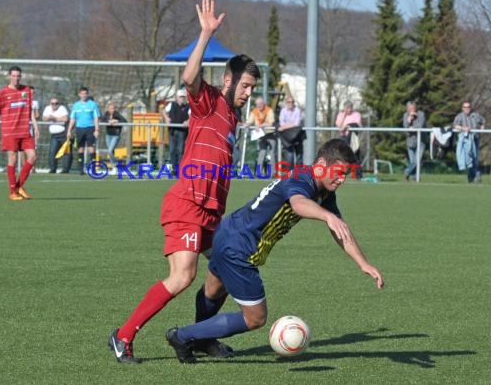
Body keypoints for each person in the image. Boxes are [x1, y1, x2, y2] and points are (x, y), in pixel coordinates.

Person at [108, 0, 261, 364]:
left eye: (253, 88)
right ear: (228, 80)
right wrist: (205, 34)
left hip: (210, 213)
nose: (249, 93)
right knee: (182, 277)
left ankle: (203, 338)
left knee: (223, 270)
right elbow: (189, 78)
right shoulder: (209, 101)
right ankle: (123, 336)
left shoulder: (234, 119)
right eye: (245, 86)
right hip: (188, 204)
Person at [165, 139, 385, 364]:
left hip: (227, 232)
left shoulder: (325, 192)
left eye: (346, 174)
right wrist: (327, 216)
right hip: (241, 246)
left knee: (213, 292)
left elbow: (340, 230)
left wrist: (363, 263)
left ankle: (201, 340)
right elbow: (298, 203)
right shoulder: (302, 178)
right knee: (255, 318)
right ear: (321, 164)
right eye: (339, 172)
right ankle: (182, 336)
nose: (342, 179)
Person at [0, 66, 38, 201]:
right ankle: (13, 192)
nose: (16, 78)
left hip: (24, 131)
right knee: (13, 159)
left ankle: (18, 186)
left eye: (18, 76)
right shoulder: (3, 93)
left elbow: (30, 110)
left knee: (33, 157)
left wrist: (35, 125)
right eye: (14, 76)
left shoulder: (27, 90)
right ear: (9, 76)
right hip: (9, 132)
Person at [66, 86, 100, 175]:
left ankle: (93, 169)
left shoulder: (93, 104)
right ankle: (81, 169)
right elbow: (72, 118)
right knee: (80, 148)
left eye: (85, 94)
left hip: (90, 128)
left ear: (87, 94)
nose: (84, 95)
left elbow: (96, 117)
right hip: (79, 129)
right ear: (79, 94)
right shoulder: (76, 105)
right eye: (82, 94)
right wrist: (69, 130)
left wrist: (96, 129)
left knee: (91, 149)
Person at [453, 101, 485, 183]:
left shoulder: (476, 115)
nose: (467, 109)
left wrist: (482, 128)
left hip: (475, 139)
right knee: (469, 159)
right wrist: (463, 128)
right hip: (466, 141)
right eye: (465, 107)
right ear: (462, 108)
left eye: (468, 107)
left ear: (470, 108)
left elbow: (483, 121)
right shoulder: (459, 116)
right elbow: (455, 125)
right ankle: (475, 175)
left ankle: (472, 177)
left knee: (475, 158)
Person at [245, 97, 276, 175]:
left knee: (272, 154)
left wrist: (261, 125)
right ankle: (259, 172)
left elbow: (271, 123)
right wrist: (247, 124)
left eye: (261, 103)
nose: (259, 105)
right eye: (257, 104)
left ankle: (273, 173)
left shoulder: (269, 110)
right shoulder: (254, 111)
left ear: (264, 104)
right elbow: (250, 120)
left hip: (270, 134)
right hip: (261, 136)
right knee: (262, 153)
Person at [42, 97, 72, 174]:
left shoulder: (62, 108)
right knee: (52, 152)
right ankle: (53, 169)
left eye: (56, 103)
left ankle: (65, 170)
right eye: (53, 103)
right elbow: (44, 118)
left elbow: (65, 119)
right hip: (54, 135)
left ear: (59, 104)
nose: (54, 105)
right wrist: (58, 118)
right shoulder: (47, 108)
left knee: (66, 152)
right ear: (50, 104)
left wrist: (53, 118)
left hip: (63, 133)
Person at [163, 90, 190, 172]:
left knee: (180, 150)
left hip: (182, 131)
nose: (182, 98)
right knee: (172, 150)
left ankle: (180, 168)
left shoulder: (187, 106)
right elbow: (164, 111)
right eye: (180, 97)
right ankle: (173, 168)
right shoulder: (171, 104)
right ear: (177, 97)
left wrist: (188, 121)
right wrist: (167, 118)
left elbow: (192, 116)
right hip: (172, 130)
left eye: (183, 97)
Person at [335, 100, 363, 179]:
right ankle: (340, 174)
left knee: (356, 156)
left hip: (353, 138)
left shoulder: (356, 114)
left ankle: (358, 175)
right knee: (342, 156)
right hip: (344, 138)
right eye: (346, 108)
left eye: (349, 108)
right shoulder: (340, 115)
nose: (348, 110)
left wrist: (347, 125)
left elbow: (357, 124)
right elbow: (339, 126)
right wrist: (344, 116)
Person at [278, 96, 304, 168]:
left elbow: (297, 123)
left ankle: (299, 175)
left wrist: (285, 127)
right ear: (286, 103)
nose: (291, 103)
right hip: (287, 137)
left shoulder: (297, 110)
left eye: (292, 102)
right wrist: (291, 125)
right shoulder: (283, 111)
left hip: (298, 135)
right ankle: (291, 174)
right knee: (290, 156)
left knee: (299, 156)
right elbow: (282, 123)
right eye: (289, 102)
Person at [402, 101, 426, 181]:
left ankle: (406, 172)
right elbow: (405, 129)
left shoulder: (421, 114)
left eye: (413, 108)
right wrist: (409, 121)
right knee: (412, 162)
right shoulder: (405, 115)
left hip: (420, 141)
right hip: (410, 142)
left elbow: (420, 126)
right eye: (410, 108)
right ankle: (414, 178)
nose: (412, 110)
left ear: (416, 108)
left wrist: (411, 128)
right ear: (407, 109)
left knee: (417, 161)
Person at [101, 101, 127, 173]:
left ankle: (116, 165)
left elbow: (124, 121)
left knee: (109, 151)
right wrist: (109, 121)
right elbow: (102, 120)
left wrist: (116, 121)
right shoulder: (106, 114)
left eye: (113, 108)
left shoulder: (117, 114)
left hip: (115, 135)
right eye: (110, 108)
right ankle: (114, 169)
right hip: (108, 135)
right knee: (110, 152)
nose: (112, 110)